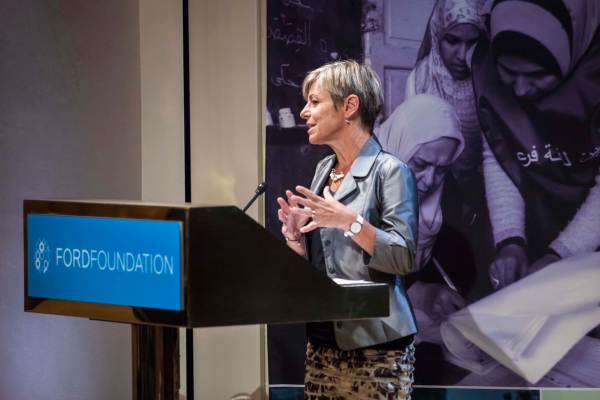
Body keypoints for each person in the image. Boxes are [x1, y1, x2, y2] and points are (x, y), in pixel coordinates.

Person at [276, 60, 419, 399]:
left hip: (377, 346)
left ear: (350, 107)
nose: (303, 112)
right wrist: (295, 238)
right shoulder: (324, 168)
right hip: (323, 341)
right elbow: (323, 262)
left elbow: (403, 257)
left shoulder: (391, 171)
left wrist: (349, 221)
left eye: (314, 101)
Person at [472, 0, 600, 289]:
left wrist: (563, 253)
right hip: (536, 217)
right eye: (508, 72)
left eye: (536, 75)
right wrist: (510, 240)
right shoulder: (487, 68)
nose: (519, 89)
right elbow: (501, 153)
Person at [377, 94, 468, 341]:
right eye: (420, 164)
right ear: (400, 145)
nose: (430, 180)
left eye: (442, 169)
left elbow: (448, 263)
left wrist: (433, 293)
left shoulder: (447, 196)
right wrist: (416, 292)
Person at [406, 0, 485, 187]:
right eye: (453, 41)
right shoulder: (420, 82)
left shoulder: (489, 81)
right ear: (437, 36)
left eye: (472, 42)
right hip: (434, 184)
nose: (462, 55)